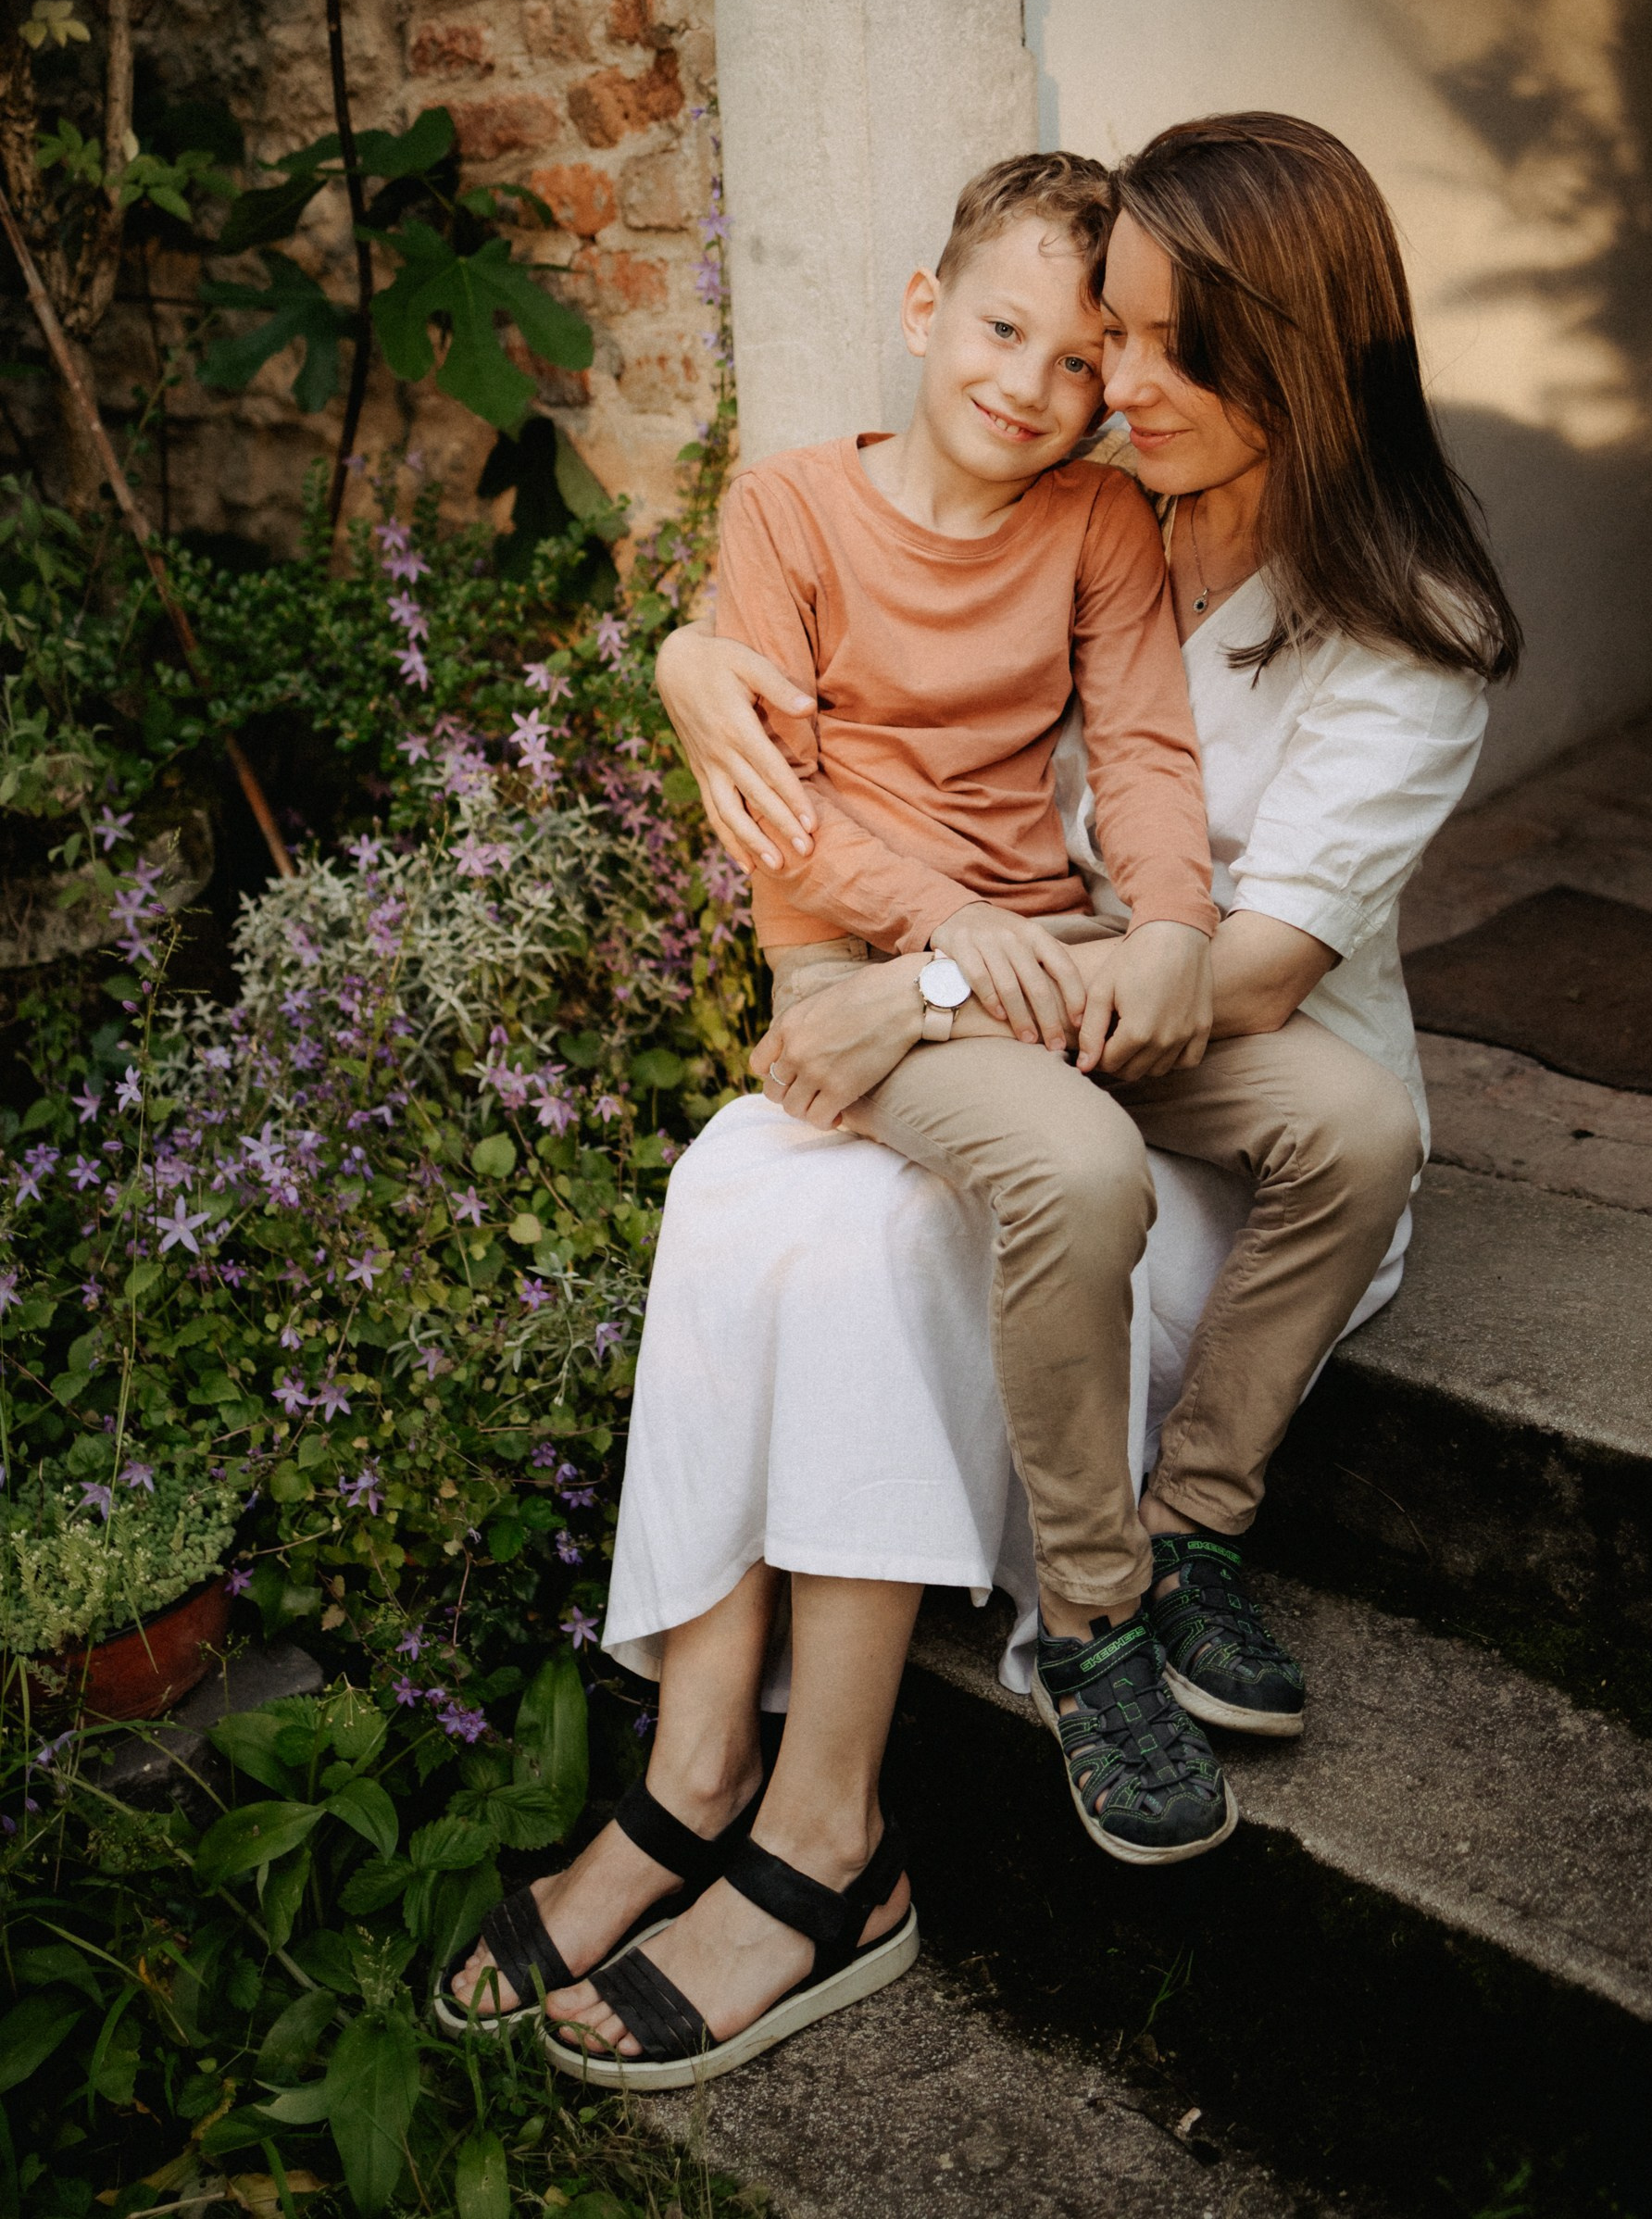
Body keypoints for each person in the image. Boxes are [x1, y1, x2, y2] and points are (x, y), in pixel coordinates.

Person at [484, 112, 1520, 2083]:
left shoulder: (1375, 629)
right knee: (779, 1205)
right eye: (1087, 333)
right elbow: (810, 649)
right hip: (975, 986)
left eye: (1136, 351)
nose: (1093, 387)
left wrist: (947, 978)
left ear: (1289, 373)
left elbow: (1217, 927)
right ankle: (724, 1777)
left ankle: (1041, 1654)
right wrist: (692, 657)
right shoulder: (1076, 486)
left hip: (1175, 1033)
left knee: (1018, 1206)